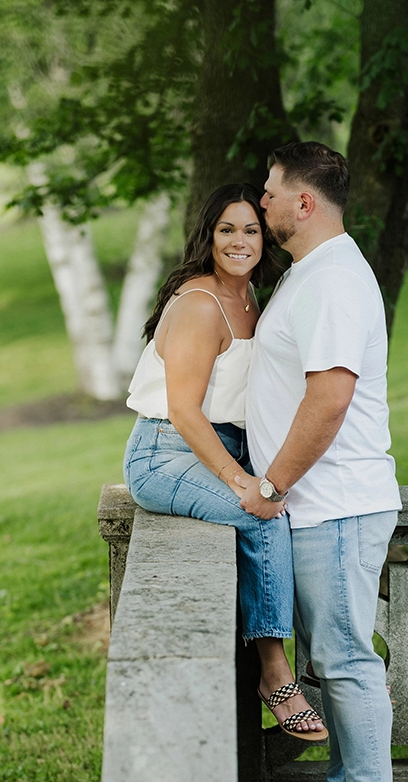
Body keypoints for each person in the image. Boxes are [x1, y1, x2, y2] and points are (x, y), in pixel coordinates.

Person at [121, 183, 327, 744]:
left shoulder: (253, 299)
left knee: (300, 516)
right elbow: (186, 412)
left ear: (266, 237)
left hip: (226, 447)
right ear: (208, 237)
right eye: (227, 230)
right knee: (262, 514)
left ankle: (323, 656)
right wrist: (242, 483)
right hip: (165, 454)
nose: (240, 241)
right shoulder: (198, 303)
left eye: (251, 229)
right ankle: (275, 673)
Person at [250, 142, 404, 782]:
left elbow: (330, 398)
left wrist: (271, 484)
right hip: (317, 507)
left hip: (333, 502)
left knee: (345, 660)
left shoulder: (334, 279)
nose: (262, 203)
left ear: (304, 203)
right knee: (330, 658)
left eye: (271, 192)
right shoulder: (310, 274)